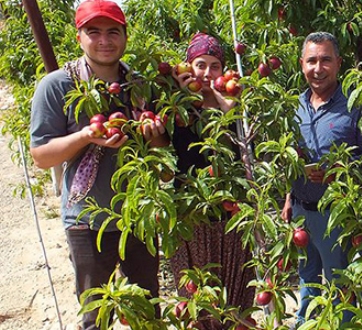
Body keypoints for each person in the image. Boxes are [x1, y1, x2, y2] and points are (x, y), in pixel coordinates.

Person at [29, 1, 168, 329]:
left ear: (125, 36)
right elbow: (41, 155)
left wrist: (153, 136)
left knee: (148, 313)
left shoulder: (139, 87)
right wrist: (86, 137)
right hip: (87, 221)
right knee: (96, 317)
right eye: (94, 32)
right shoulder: (58, 86)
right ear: (79, 37)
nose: (104, 40)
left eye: (112, 32)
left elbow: (163, 161)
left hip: (139, 217)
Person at [170, 33, 255, 328]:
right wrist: (183, 97)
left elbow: (245, 148)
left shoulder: (233, 106)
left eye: (215, 66)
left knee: (236, 300)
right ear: (187, 67)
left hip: (229, 216)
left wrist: (223, 101)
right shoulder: (176, 107)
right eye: (200, 65)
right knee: (198, 301)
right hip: (191, 216)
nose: (207, 73)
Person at [281, 31, 362, 328]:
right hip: (302, 212)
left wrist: (339, 172)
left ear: (338, 63)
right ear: (302, 64)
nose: (318, 68)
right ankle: (305, 324)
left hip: (337, 216)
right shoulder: (293, 107)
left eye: (326, 60)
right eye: (312, 60)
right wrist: (290, 198)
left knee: (342, 284)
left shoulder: (354, 106)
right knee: (307, 279)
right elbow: (287, 158)